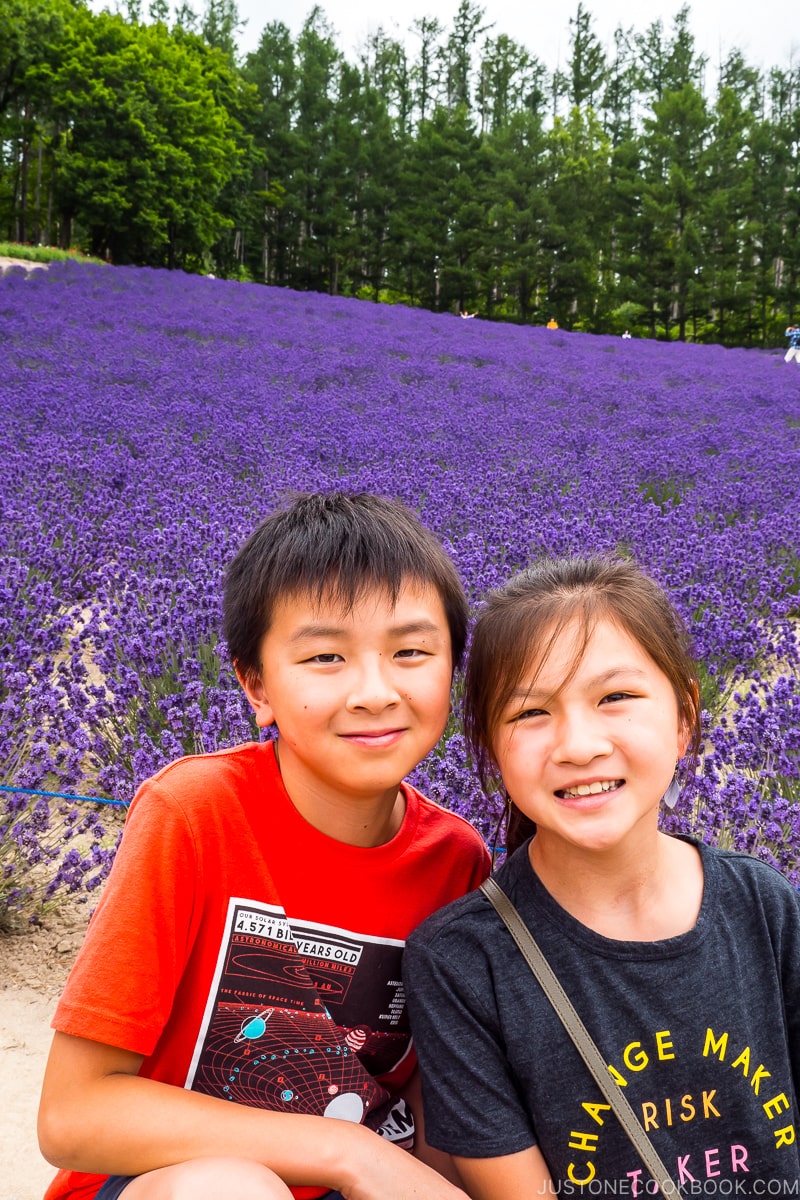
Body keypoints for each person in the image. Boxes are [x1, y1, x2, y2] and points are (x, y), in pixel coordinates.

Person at [38, 492, 490, 1200]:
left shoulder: (457, 860)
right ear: (256, 685)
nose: (374, 691)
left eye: (410, 651)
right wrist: (348, 1151)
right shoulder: (194, 815)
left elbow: (440, 1119)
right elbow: (72, 1114)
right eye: (324, 656)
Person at [404, 556, 800, 1197]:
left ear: (684, 717)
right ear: (488, 747)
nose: (579, 744)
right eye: (530, 713)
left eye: (615, 697)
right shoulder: (461, 961)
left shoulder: (764, 904)